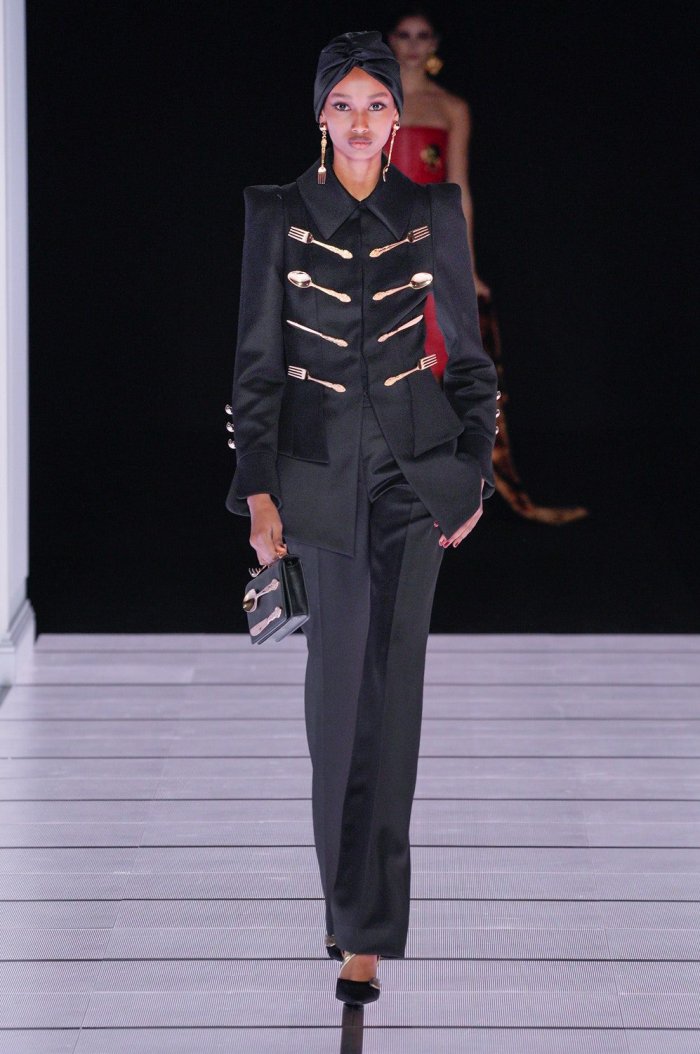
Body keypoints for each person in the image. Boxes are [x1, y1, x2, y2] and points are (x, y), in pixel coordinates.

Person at [224, 30, 498, 1006]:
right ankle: (345, 904)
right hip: (315, 484)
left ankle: (367, 932)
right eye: (342, 103)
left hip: (413, 481)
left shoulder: (432, 211)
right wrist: (258, 494)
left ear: (396, 117)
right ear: (320, 115)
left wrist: (468, 476)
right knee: (337, 702)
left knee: (394, 699)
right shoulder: (276, 213)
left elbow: (469, 361)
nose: (359, 119)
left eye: (375, 103)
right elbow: (255, 370)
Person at [388, 6, 588, 526]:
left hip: (431, 247)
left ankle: (440, 496)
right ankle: (380, 487)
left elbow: (458, 191)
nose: (414, 44)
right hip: (379, 247)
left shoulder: (451, 106)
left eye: (423, 34)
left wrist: (467, 264)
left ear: (435, 43)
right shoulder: (370, 101)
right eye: (404, 34)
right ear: (390, 41)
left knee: (437, 358)